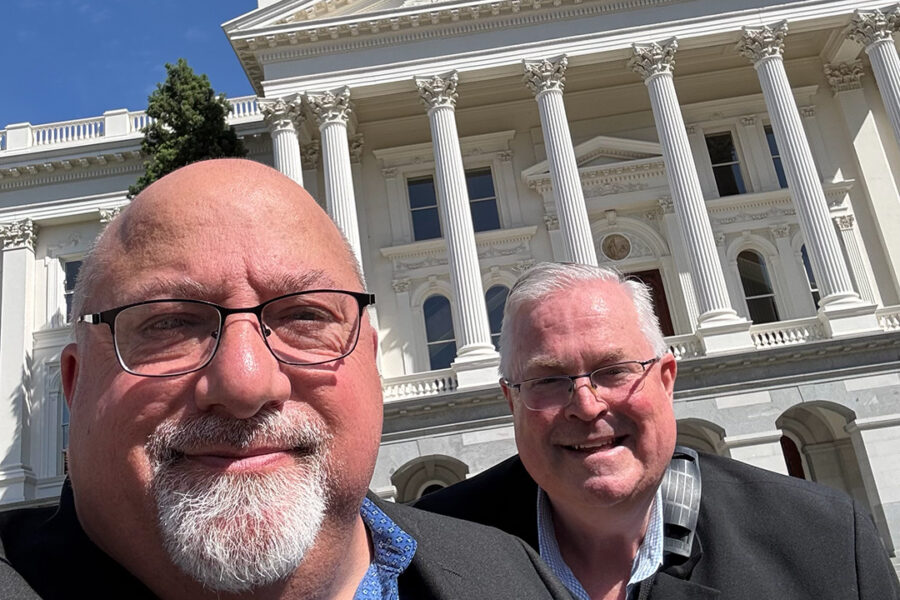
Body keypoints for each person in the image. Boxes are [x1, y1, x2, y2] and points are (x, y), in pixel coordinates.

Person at [0, 160, 574, 600]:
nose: (246, 383)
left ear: (370, 362)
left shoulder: (511, 572)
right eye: (170, 323)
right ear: (74, 385)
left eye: (305, 316)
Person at [416, 262, 900, 600]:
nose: (586, 405)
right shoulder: (424, 554)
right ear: (511, 400)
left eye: (615, 370)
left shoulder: (822, 540)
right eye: (547, 380)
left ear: (666, 379)